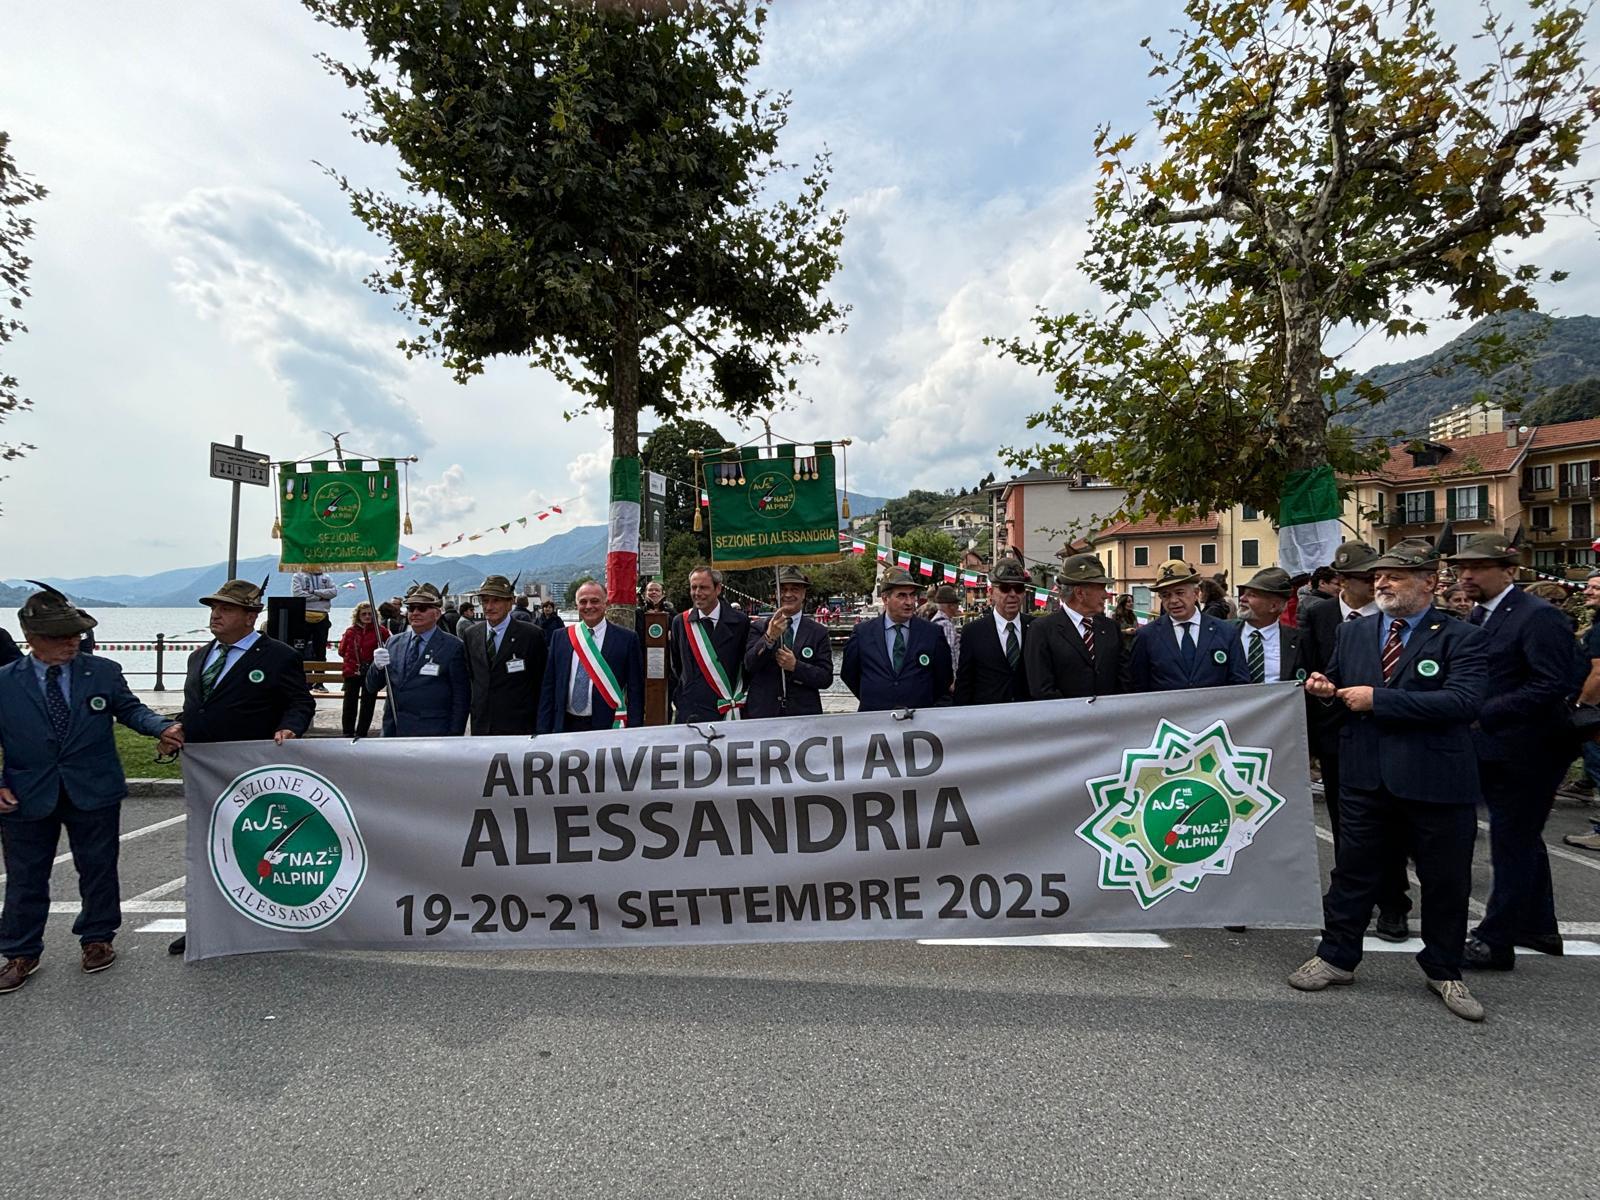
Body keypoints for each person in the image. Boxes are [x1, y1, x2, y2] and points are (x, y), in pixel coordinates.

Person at [1289, 537, 1490, 1022]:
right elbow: (1339, 686)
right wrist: (1323, 691)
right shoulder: (1356, 633)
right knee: (1353, 871)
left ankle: (1444, 967)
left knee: (1445, 880)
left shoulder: (1460, 636)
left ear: (1428, 582)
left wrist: (1380, 700)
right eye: (1379, 575)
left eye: (1395, 576)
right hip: (1365, 775)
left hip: (1435, 777)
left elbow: (1465, 702)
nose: (1382, 582)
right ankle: (1337, 956)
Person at [0, 587, 179, 993]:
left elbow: (131, 709)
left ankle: (98, 938)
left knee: (97, 868)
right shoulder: (5, 683)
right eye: (61, 636)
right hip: (26, 792)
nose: (72, 642)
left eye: (75, 633)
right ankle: (20, 951)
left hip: (93, 786)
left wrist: (163, 727)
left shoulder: (103, 671)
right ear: (31, 637)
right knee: (26, 876)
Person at [1448, 532, 1583, 969]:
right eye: (1462, 568)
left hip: (1530, 748)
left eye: (1478, 568)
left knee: (1513, 843)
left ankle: (1496, 939)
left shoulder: (1536, 616)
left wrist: (1483, 712)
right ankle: (1538, 925)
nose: (1466, 575)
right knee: (1521, 841)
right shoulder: (1480, 616)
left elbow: (1554, 683)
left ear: (1510, 570)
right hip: (1496, 745)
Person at [165, 577, 316, 956]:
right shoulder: (199, 657)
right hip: (205, 772)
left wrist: (290, 728)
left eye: (226, 608)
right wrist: (179, 728)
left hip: (251, 772)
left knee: (256, 849)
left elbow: (299, 703)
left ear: (251, 616)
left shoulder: (278, 656)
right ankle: (203, 924)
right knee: (205, 850)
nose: (216, 615)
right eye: (214, 608)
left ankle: (268, 920)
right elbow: (196, 707)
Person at [1299, 540, 1411, 939]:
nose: (1375, 584)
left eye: (1377, 576)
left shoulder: (1394, 616)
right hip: (1336, 738)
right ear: (1343, 581)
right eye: (1366, 578)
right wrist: (1312, 734)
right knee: (1348, 824)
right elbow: (1310, 672)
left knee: (1392, 825)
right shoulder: (1319, 615)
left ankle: (1393, 902)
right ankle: (1348, 900)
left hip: (1387, 734)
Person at [841, 566, 954, 712]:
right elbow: (849, 674)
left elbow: (943, 678)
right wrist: (874, 697)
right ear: (885, 599)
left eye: (912, 595)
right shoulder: (863, 633)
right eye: (901, 596)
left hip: (918, 720)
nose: (909, 602)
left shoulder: (932, 633)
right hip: (875, 720)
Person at [538, 580, 644, 732]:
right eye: (583, 602)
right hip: (564, 725)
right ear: (577, 605)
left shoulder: (627, 639)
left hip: (607, 726)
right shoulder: (560, 637)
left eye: (595, 601)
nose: (588, 606)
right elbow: (549, 686)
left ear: (606, 604)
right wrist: (543, 729)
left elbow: (635, 690)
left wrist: (634, 731)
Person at [1128, 559, 1249, 691]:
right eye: (1166, 595)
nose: (1173, 600)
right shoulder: (1146, 636)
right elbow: (1138, 688)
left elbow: (1240, 684)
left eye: (1180, 593)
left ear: (1196, 594)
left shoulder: (1226, 632)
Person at [369, 582, 469, 737]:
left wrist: (455, 735)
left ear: (437, 613)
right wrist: (377, 666)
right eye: (410, 608)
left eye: (422, 608)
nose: (415, 612)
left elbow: (461, 697)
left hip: (433, 732)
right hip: (394, 728)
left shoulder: (453, 646)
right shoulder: (392, 642)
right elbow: (372, 686)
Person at [1025, 553, 1127, 700]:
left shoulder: (1111, 628)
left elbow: (1124, 679)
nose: (1106, 595)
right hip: (1066, 720)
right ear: (1079, 593)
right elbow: (1041, 688)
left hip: (1109, 719)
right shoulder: (1043, 630)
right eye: (1101, 588)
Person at [461, 574, 547, 736]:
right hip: (482, 726)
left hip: (519, 727)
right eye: (485, 601)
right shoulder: (471, 634)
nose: (489, 606)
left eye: (496, 600)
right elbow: (471, 678)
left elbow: (541, 683)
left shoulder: (531, 635)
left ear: (510, 603)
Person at [743, 565, 833, 719]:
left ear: (804, 593)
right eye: (783, 589)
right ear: (775, 594)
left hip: (804, 715)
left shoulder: (818, 632)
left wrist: (796, 666)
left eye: (794, 589)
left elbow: (825, 678)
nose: (788, 594)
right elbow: (749, 665)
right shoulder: (758, 627)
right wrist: (769, 638)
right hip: (763, 714)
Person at [668, 566, 753, 722]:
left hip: (728, 710)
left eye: (704, 587)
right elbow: (677, 667)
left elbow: (747, 665)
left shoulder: (740, 622)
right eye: (694, 587)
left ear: (718, 588)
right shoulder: (680, 622)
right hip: (693, 711)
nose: (697, 593)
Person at [954, 559, 1032, 705]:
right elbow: (965, 683)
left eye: (1019, 588)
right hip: (988, 719)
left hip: (1029, 717)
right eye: (1005, 588)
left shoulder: (1035, 627)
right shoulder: (973, 632)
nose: (1013, 594)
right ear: (991, 592)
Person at [1235, 567, 1308, 683]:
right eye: (1244, 594)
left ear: (1273, 606)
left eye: (1252, 595)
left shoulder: (1298, 640)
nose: (1242, 599)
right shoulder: (1224, 633)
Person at [337, 599, 389, 739]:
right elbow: (341, 651)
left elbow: (389, 648)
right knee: (349, 704)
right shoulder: (350, 631)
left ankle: (362, 732)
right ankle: (347, 732)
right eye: (364, 614)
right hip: (352, 671)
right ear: (358, 616)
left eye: (370, 614)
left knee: (368, 703)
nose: (367, 617)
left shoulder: (381, 631)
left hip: (371, 672)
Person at [291, 567, 338, 686]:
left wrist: (313, 592)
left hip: (322, 616)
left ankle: (320, 682)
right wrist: (322, 596)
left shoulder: (326, 577)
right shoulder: (298, 576)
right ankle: (304, 681)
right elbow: (298, 594)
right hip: (303, 615)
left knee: (321, 651)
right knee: (301, 650)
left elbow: (334, 592)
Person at [928, 584, 963, 678]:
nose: (957, 607)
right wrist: (953, 678)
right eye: (956, 604)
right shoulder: (945, 625)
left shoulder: (935, 621)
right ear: (950, 606)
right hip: (948, 679)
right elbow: (949, 654)